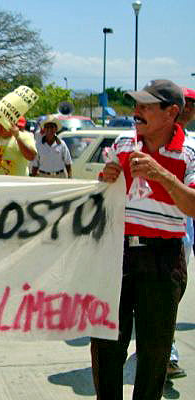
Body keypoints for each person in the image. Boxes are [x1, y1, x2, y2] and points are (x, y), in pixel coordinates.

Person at [94, 79, 195, 399]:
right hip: (116, 253)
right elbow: (104, 197)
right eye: (136, 105)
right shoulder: (123, 142)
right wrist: (105, 179)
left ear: (172, 113)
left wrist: (160, 174)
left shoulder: (190, 152)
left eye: (147, 106)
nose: (137, 111)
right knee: (106, 347)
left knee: (154, 353)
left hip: (163, 259)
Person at [166, 86, 195, 381]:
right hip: (160, 230)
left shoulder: (192, 144)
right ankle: (168, 350)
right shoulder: (150, 139)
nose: (188, 110)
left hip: (186, 226)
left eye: (192, 106)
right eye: (184, 104)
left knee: (176, 289)